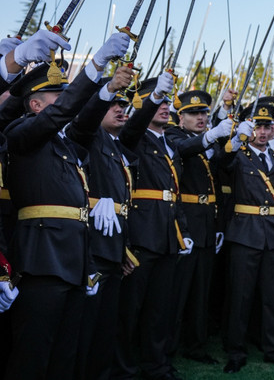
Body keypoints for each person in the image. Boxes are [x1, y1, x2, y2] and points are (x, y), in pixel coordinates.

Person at [2, 30, 129, 379]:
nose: (64, 103)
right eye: (56, 96)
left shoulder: (67, 146)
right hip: (41, 259)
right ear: (35, 104)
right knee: (33, 354)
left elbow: (84, 124)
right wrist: (96, 65)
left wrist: (106, 91)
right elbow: (63, 115)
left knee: (64, 355)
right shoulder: (21, 134)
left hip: (73, 259)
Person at [113, 73, 195, 380]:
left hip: (167, 235)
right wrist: (153, 98)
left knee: (159, 310)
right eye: (155, 102)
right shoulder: (132, 136)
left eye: (165, 102)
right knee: (130, 312)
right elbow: (133, 126)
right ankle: (124, 369)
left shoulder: (170, 143)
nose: (163, 107)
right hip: (141, 234)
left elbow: (174, 194)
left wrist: (182, 231)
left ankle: (156, 365)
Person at [64, 66, 137, 380]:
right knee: (85, 328)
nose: (120, 109)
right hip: (91, 247)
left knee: (105, 329)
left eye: (123, 105)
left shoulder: (116, 147)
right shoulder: (89, 135)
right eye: (112, 104)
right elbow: (82, 124)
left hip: (112, 248)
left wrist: (124, 250)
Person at [222, 103, 274, 373]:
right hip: (245, 232)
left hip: (273, 235)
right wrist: (234, 139)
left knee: (271, 296)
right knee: (241, 297)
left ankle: (273, 349)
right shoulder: (238, 155)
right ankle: (235, 351)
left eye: (267, 126)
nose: (263, 132)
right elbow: (220, 162)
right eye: (258, 126)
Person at [165, 90, 233, 365]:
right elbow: (185, 149)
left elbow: (220, 170)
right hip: (185, 223)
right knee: (178, 293)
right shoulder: (173, 136)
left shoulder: (209, 142)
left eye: (204, 113)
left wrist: (234, 141)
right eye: (194, 113)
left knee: (200, 292)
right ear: (180, 117)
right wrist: (212, 135)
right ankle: (167, 349)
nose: (201, 117)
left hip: (206, 222)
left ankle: (196, 344)